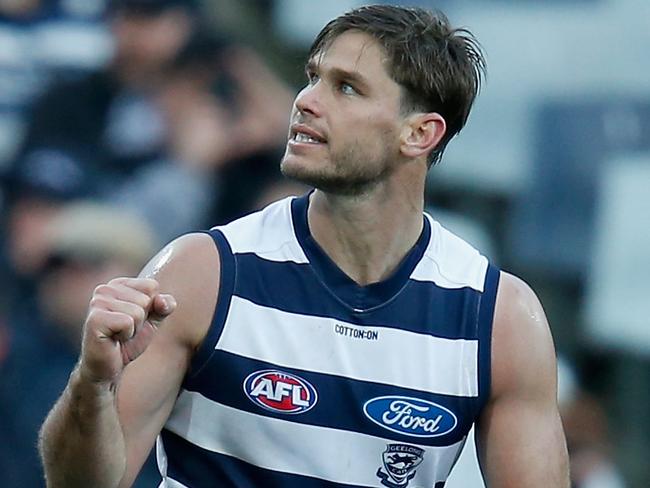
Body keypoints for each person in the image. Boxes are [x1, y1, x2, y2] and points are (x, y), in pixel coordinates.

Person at [39, 5, 570, 488]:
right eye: (313, 76)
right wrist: (92, 385)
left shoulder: (498, 319)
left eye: (346, 88)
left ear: (420, 134)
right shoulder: (204, 273)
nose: (305, 100)